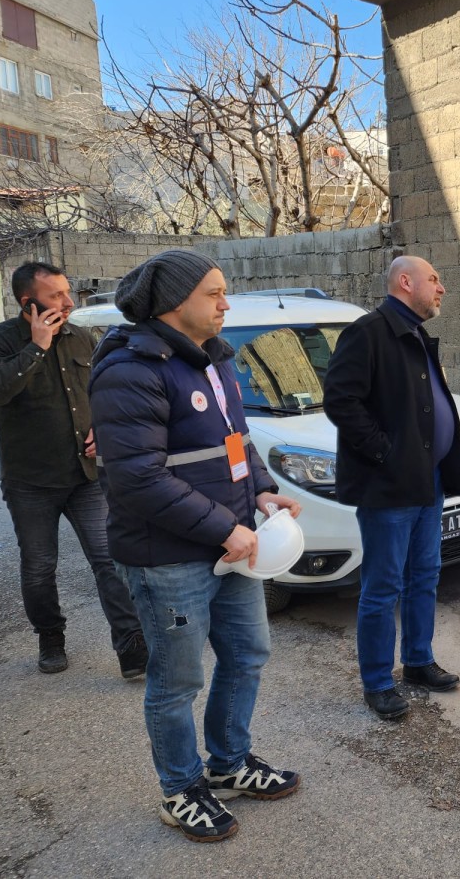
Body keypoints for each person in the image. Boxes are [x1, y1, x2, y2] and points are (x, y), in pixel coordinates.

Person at [89, 250, 302, 843]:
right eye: (214, 293)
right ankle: (181, 789)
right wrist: (225, 529)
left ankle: (229, 765)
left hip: (228, 544)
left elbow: (237, 441)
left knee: (247, 654)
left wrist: (262, 492)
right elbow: (138, 479)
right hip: (168, 559)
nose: (225, 303)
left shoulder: (214, 358)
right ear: (173, 302)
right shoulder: (132, 370)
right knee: (177, 681)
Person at [0, 261, 145, 677]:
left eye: (67, 293)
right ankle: (50, 637)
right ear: (28, 303)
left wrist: (103, 426)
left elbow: (104, 390)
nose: (68, 302)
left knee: (110, 561)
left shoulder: (82, 337)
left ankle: (131, 646)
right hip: (30, 482)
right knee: (39, 567)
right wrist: (36, 347)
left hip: (86, 477)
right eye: (56, 296)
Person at [324, 255, 460, 722]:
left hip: (427, 481)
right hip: (388, 487)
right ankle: (378, 682)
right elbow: (341, 401)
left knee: (425, 575)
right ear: (405, 282)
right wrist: (386, 453)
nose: (441, 288)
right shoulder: (368, 332)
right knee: (383, 586)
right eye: (434, 279)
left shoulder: (417, 333)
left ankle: (419, 661)